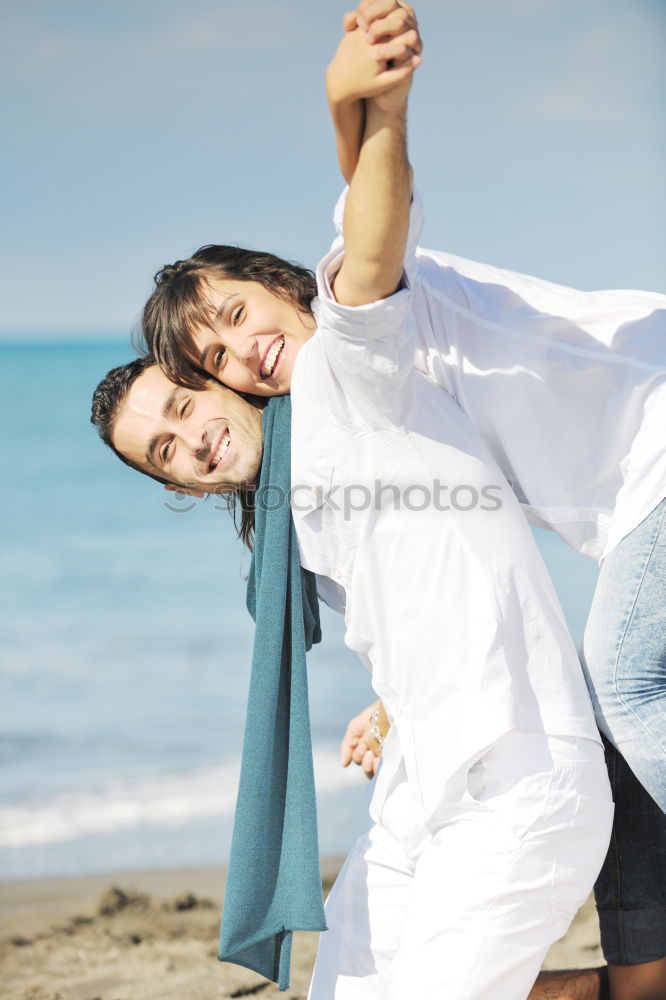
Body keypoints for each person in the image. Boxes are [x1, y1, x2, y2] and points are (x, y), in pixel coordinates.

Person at [133, 4, 666, 996]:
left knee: (626, 681)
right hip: (625, 487)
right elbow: (441, 552)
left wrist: (364, 100)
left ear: (280, 286)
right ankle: (641, 971)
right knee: (617, 697)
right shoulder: (337, 417)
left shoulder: (352, 325)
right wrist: (392, 690)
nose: (243, 355)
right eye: (214, 361)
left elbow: (374, 198)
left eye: (238, 317)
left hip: (656, 417)